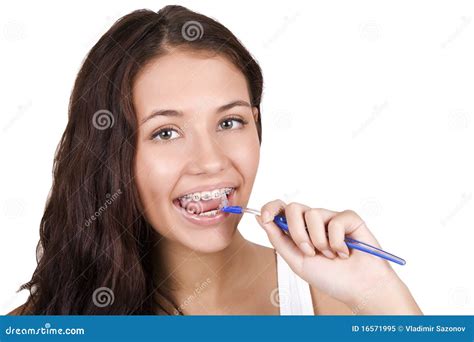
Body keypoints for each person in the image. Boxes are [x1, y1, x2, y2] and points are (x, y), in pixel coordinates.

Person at [8, 5, 421, 315]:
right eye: (166, 132)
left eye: (230, 122)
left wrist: (380, 293)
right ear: (109, 153)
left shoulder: (334, 304)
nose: (210, 161)